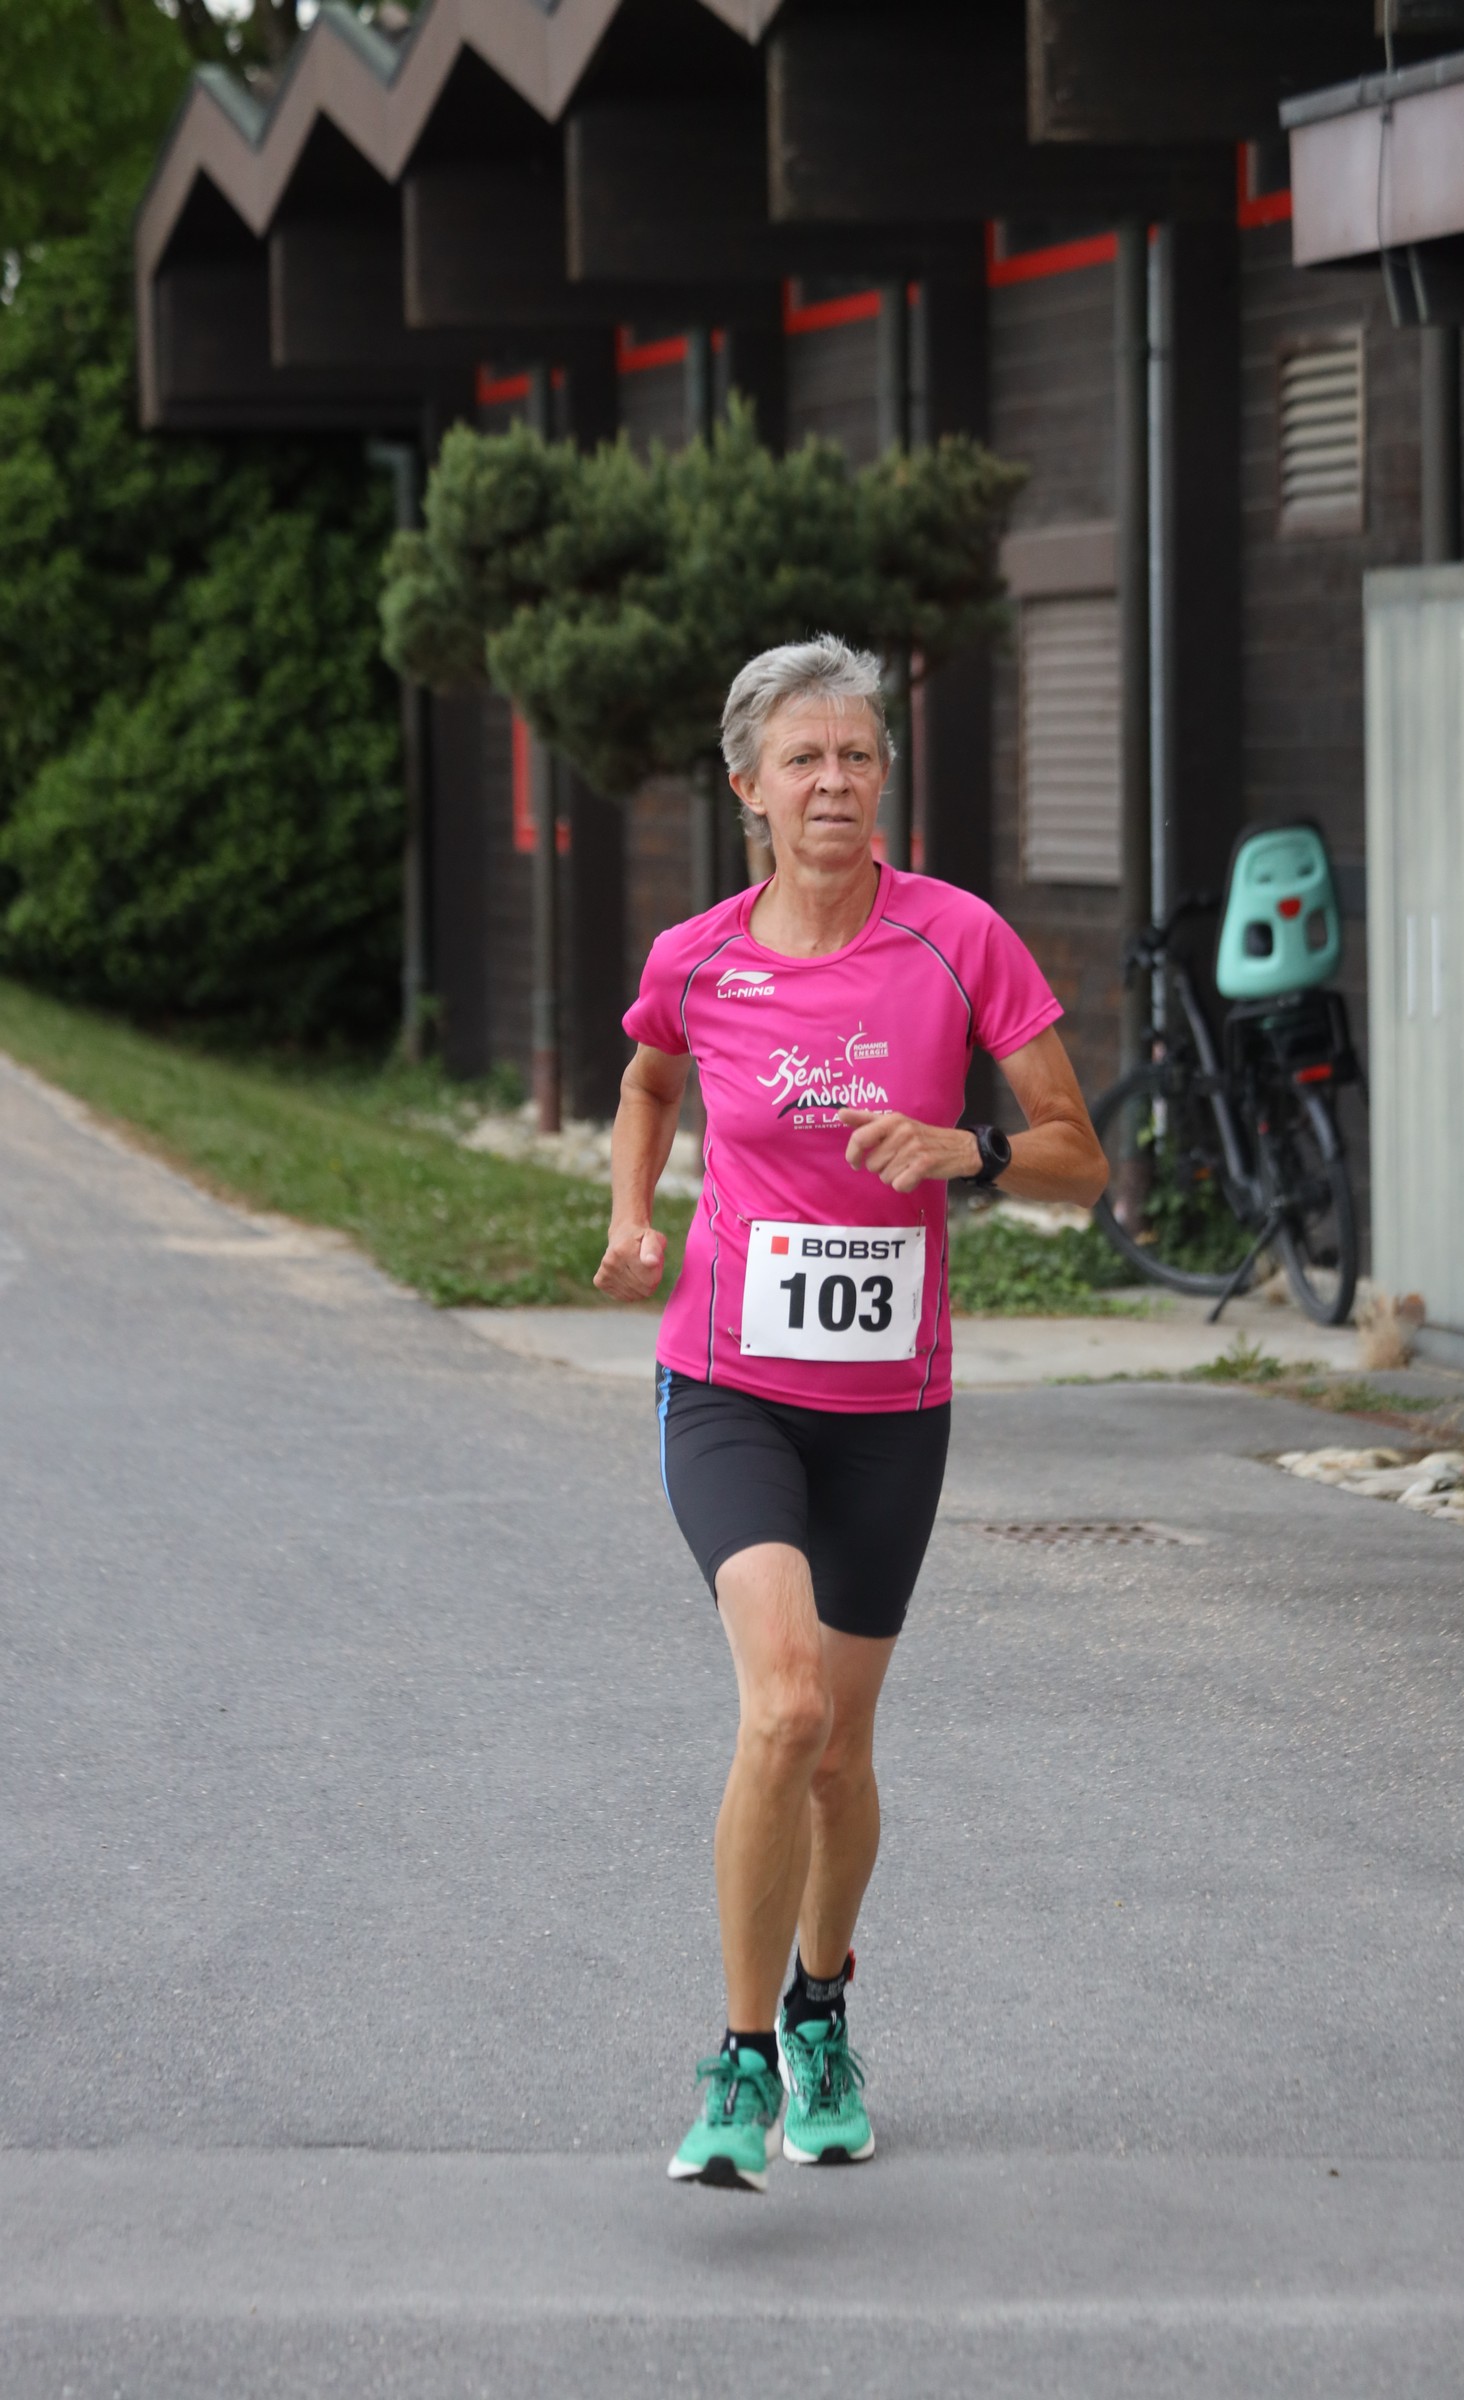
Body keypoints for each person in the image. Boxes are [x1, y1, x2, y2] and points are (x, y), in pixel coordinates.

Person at [594, 636, 1107, 2191]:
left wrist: (971, 1153)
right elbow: (649, 1081)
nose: (835, 783)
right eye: (804, 759)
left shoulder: (958, 941)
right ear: (747, 787)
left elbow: (1081, 1158)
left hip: (891, 1405)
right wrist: (631, 1218)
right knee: (788, 1706)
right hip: (728, 1384)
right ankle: (741, 2059)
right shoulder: (698, 958)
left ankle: (824, 2007)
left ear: (886, 779)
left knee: (841, 1751)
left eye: (859, 757)